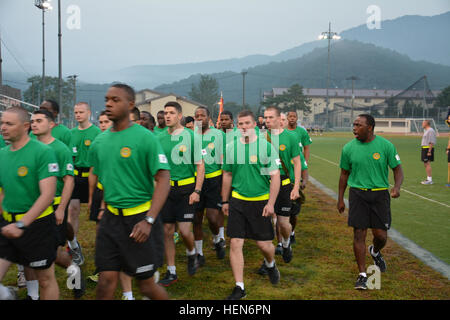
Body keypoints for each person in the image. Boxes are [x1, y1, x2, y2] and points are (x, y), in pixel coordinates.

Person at [88, 83, 171, 300]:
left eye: (115, 100)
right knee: (106, 282)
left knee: (147, 287)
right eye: (107, 99)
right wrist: (102, 208)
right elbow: (106, 178)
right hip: (111, 220)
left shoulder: (145, 138)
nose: (108, 103)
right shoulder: (99, 142)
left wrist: (149, 220)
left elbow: (163, 179)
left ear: (130, 104)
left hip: (140, 219)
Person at [337, 114, 404, 290]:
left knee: (381, 236)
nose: (354, 128)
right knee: (359, 233)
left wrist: (396, 187)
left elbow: (397, 169)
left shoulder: (386, 146)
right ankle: (362, 275)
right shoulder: (348, 148)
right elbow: (344, 174)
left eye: (358, 125)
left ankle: (374, 251)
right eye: (354, 124)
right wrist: (340, 199)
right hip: (357, 194)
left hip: (379, 195)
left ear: (370, 128)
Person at [0, 106, 60, 300]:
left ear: (26, 126)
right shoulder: (2, 154)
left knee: (45, 280)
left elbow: (47, 195)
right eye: (2, 123)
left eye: (9, 123)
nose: (3, 127)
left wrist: (22, 223)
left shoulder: (43, 152)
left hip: (37, 226)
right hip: (7, 225)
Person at [221, 110, 281, 300]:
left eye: (247, 123)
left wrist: (271, 204)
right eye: (241, 124)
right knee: (235, 242)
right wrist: (225, 200)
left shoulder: (266, 147)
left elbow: (275, 177)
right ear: (237, 126)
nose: (244, 127)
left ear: (255, 124)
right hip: (238, 200)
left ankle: (270, 263)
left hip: (261, 202)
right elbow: (227, 175)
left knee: (264, 245)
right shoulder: (231, 148)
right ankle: (240, 287)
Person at [30, 109, 85, 299]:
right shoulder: (28, 146)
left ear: (51, 124)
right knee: (31, 251)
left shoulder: (60, 149)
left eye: (39, 120)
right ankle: (33, 292)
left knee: (51, 254)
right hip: (31, 207)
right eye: (32, 121)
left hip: (53, 207)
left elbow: (69, 180)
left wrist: (61, 208)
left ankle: (73, 270)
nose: (34, 124)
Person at [157, 101, 205, 286]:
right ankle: (171, 271)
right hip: (166, 190)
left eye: (171, 113)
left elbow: (200, 165)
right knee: (167, 231)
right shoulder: (158, 138)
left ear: (179, 116)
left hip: (186, 190)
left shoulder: (192, 137)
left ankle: (192, 253)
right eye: (165, 113)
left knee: (185, 231)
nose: (167, 116)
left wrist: (197, 190)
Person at [260, 106, 308, 268]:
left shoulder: (291, 137)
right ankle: (267, 261)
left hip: (284, 184)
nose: (267, 121)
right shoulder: (261, 138)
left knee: (283, 224)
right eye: (265, 118)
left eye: (270, 118)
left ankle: (286, 243)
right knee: (266, 224)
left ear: (279, 119)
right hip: (265, 184)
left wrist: (295, 188)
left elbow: (297, 163)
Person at [68, 102, 102, 265]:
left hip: (91, 175)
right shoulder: (71, 133)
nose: (78, 115)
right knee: (72, 211)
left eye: (81, 112)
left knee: (96, 214)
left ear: (88, 113)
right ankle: (73, 246)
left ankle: (101, 248)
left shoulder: (96, 132)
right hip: (75, 176)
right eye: (75, 112)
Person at [193, 107, 226, 266]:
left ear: (209, 117)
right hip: (194, 182)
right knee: (196, 219)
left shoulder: (218, 135)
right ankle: (199, 254)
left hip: (214, 180)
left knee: (213, 218)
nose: (200, 118)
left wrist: (224, 183)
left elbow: (224, 158)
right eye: (197, 116)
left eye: (202, 116)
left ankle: (217, 239)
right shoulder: (190, 136)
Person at [286, 110, 312, 244]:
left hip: (296, 174)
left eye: (294, 116)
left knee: (293, 213)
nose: (291, 118)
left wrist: (304, 178)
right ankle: (282, 240)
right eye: (289, 116)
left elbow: (306, 148)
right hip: (282, 181)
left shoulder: (302, 132)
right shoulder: (282, 132)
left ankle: (291, 233)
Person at [420, 120, 437, 185]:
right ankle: (428, 178)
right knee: (425, 164)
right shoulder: (427, 130)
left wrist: (429, 151)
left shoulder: (430, 130)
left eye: (423, 123)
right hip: (424, 149)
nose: (422, 124)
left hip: (427, 149)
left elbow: (432, 141)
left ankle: (429, 180)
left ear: (426, 124)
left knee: (427, 163)